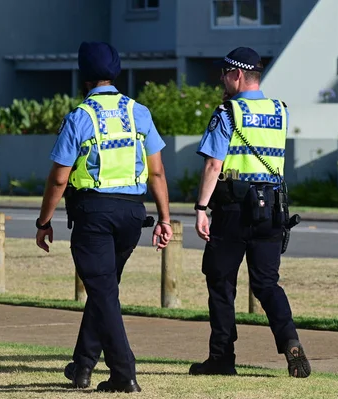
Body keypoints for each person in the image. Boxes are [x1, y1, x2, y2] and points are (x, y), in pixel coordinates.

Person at [35, 41, 173, 393]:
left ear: (83, 76)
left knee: (103, 293)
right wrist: (165, 218)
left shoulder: (80, 116)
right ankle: (82, 367)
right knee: (104, 292)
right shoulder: (138, 112)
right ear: (116, 73)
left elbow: (59, 177)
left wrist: (43, 221)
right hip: (131, 214)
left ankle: (124, 372)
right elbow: (157, 173)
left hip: (94, 213)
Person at [191, 47, 311, 378]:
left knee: (220, 282)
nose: (221, 79)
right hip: (273, 208)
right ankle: (291, 343)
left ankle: (222, 358)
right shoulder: (280, 111)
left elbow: (214, 164)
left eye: (224, 73)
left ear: (238, 75)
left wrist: (201, 208)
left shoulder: (227, 112)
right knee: (267, 283)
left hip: (233, 209)